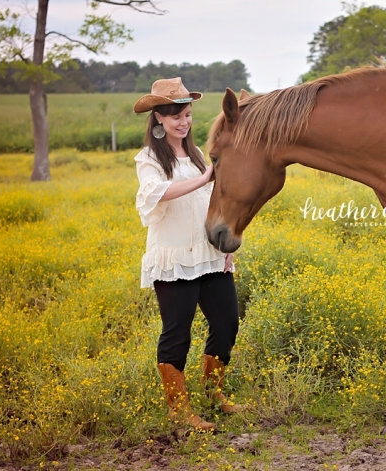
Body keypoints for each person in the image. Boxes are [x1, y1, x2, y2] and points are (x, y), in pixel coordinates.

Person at [133, 77, 242, 432]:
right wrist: (204, 178)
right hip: (175, 258)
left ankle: (214, 394)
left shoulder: (197, 155)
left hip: (210, 256)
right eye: (175, 115)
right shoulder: (149, 157)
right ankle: (179, 410)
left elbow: (215, 200)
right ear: (159, 120)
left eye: (188, 114)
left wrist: (224, 246)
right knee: (177, 332)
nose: (183, 121)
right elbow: (155, 194)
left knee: (227, 323)